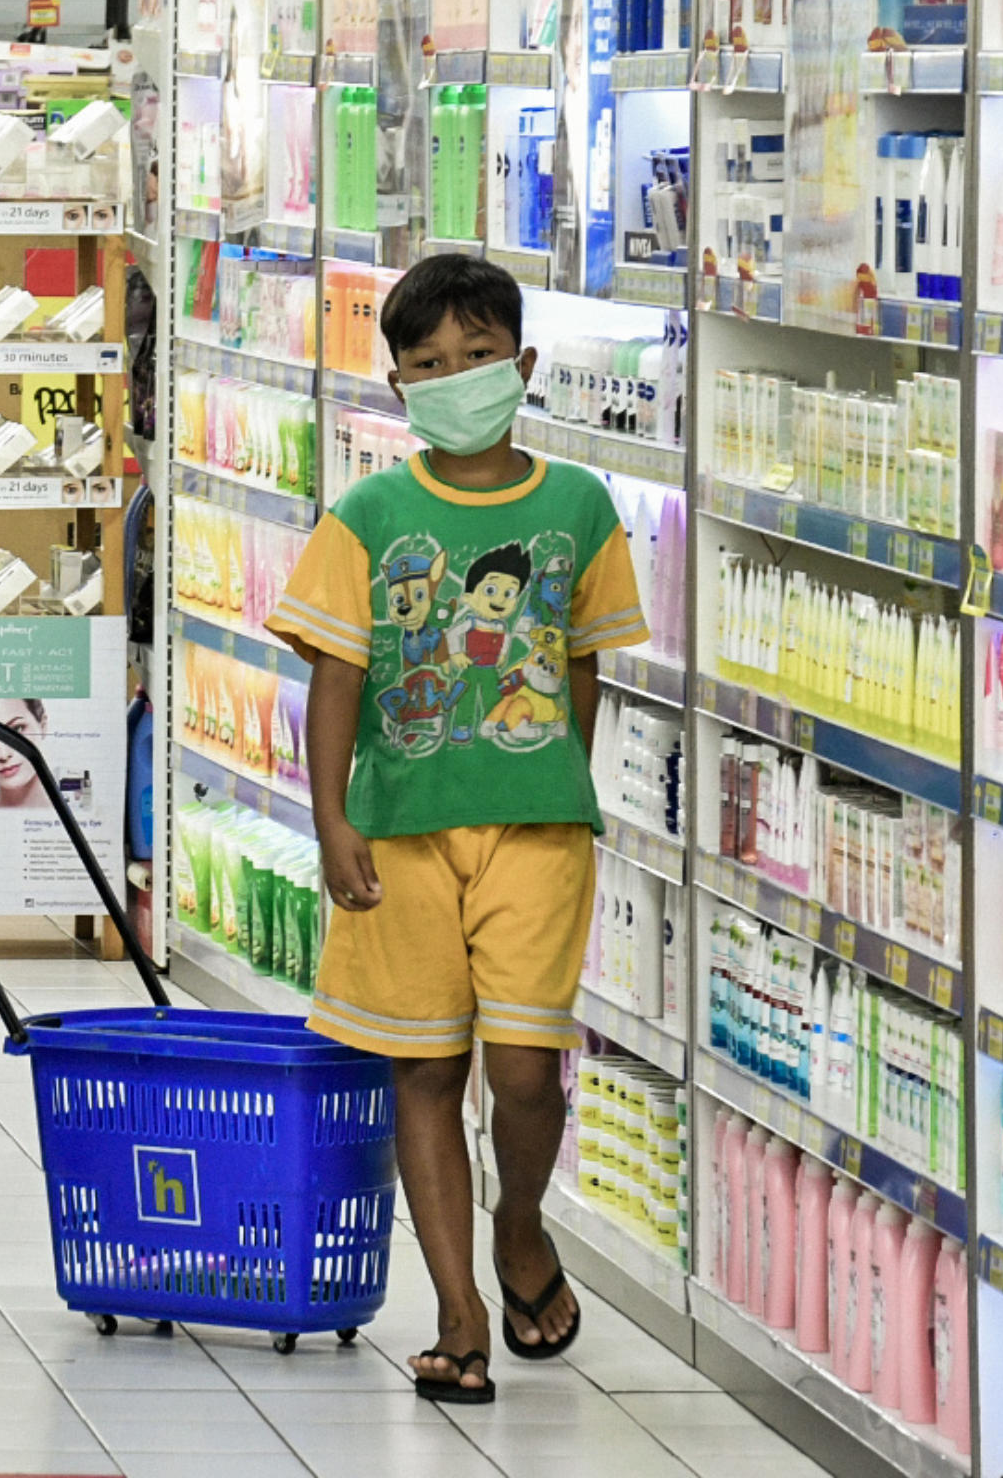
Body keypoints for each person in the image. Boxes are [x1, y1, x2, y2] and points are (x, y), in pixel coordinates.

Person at [262, 253, 649, 1406]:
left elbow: (582, 666)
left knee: (526, 1069)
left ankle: (517, 1221)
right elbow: (338, 676)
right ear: (396, 386)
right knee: (424, 1069)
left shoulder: (577, 505)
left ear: (522, 364)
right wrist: (333, 819)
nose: (457, 377)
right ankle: (459, 1309)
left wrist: (559, 780)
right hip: (402, 832)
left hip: (537, 834)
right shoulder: (371, 514)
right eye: (429, 363)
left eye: (477, 356)